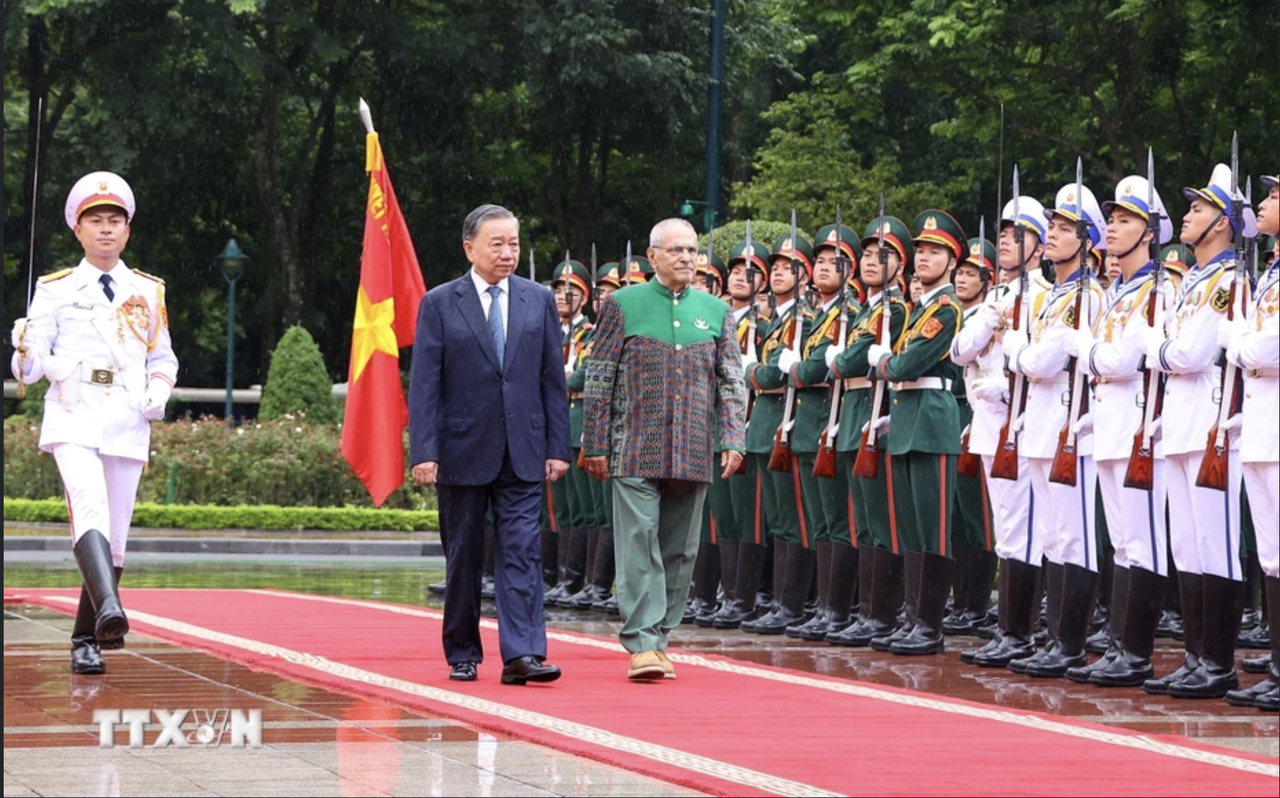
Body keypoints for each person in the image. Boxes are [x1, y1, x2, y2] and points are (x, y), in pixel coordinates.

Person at [10, 171, 178, 675]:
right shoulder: (55, 288)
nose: (105, 229)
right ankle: (110, 609)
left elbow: (163, 357)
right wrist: (23, 349)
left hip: (127, 416)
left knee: (118, 534)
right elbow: (29, 370)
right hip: (75, 412)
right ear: (78, 230)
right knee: (89, 508)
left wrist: (159, 390)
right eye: (95, 221)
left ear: (127, 231)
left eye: (114, 221)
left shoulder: (147, 290)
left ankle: (88, 636)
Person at [409, 204, 570, 685]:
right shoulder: (440, 302)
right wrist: (424, 452)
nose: (507, 253)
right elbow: (424, 385)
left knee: (522, 550)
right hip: (461, 450)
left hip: (523, 448)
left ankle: (523, 654)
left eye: (514, 244)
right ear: (469, 248)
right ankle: (462, 650)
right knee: (464, 554)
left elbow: (551, 381)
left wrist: (557, 447)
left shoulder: (537, 299)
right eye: (496, 244)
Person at [583, 218, 747, 680]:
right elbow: (599, 378)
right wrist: (595, 443)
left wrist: (734, 437)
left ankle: (662, 633)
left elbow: (731, 380)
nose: (685, 258)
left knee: (680, 550)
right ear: (651, 257)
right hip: (634, 446)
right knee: (638, 541)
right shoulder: (621, 305)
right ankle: (643, 642)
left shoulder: (715, 311)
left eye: (692, 250)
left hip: (693, 447)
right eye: (675, 250)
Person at [1137, 165, 1249, 699]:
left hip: (1209, 423)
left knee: (1215, 545)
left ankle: (1219, 662)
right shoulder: (1195, 282)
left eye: (1199, 209)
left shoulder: (1227, 282)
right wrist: (1163, 352)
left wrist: (1153, 351)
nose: (1186, 216)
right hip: (1179, 425)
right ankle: (1196, 657)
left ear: (1223, 223)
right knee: (1186, 545)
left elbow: (1187, 353)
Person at [1064, 173, 1174, 687]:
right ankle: (1118, 645)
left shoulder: (1158, 288)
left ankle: (1137, 652)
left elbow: (1118, 359)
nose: (1112, 227)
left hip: (1136, 425)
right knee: (1123, 543)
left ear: (1149, 232)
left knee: (1142, 541)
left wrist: (1084, 351)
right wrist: (1095, 357)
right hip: (1108, 424)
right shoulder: (1116, 292)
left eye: (1125, 220)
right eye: (1110, 219)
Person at [1004, 180, 1106, 678]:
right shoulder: (1055, 296)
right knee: (1051, 536)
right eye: (1054, 226)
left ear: (1087, 240)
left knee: (1074, 537)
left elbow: (1041, 361)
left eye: (1066, 228)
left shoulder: (1087, 295)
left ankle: (1071, 642)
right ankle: (1054, 638)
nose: (1053, 235)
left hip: (1070, 425)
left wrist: (1019, 355)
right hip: (1041, 425)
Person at [867, 209, 966, 656]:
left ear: (952, 261)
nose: (924, 258)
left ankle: (930, 625)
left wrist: (881, 362)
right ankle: (913, 619)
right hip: (908, 418)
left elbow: (907, 364)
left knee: (932, 528)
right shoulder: (917, 309)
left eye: (935, 252)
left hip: (932, 420)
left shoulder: (945, 310)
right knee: (909, 528)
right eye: (921, 251)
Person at [1220, 173, 1278, 711]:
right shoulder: (1270, 277)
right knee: (1273, 556)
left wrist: (1238, 341)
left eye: (1275, 195)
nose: (1262, 204)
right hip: (1262, 425)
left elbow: (1267, 347)